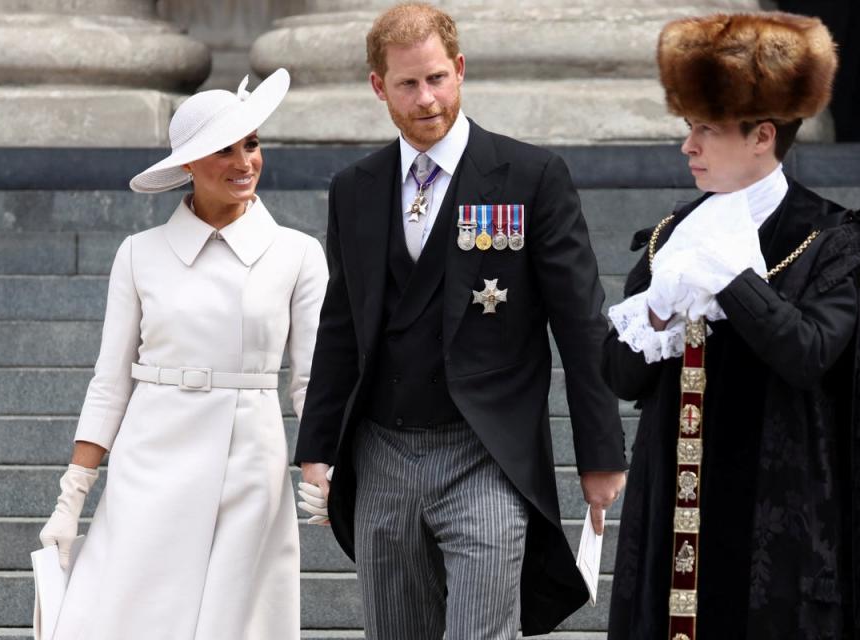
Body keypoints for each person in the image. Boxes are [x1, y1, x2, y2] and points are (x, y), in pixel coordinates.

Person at [292, 3, 627, 638]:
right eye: (408, 83)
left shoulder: (531, 177)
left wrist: (600, 452)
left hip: (487, 454)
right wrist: (317, 448)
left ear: (461, 70)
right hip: (381, 452)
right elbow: (342, 322)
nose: (427, 99)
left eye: (438, 78)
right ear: (377, 86)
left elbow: (582, 324)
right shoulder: (354, 188)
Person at [603, 12, 860, 640]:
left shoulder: (832, 242)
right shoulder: (674, 235)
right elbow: (620, 374)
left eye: (706, 130)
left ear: (761, 136)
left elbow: (807, 354)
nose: (687, 146)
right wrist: (661, 306)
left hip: (782, 530)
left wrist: (729, 276)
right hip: (675, 522)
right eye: (689, 128)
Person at [37, 68, 329, 640]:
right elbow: (110, 382)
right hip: (151, 452)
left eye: (252, 143)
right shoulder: (138, 254)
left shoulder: (298, 253)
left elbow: (311, 380)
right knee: (123, 617)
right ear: (188, 166)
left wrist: (322, 463)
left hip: (252, 462)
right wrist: (72, 497)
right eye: (224, 150)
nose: (245, 162)